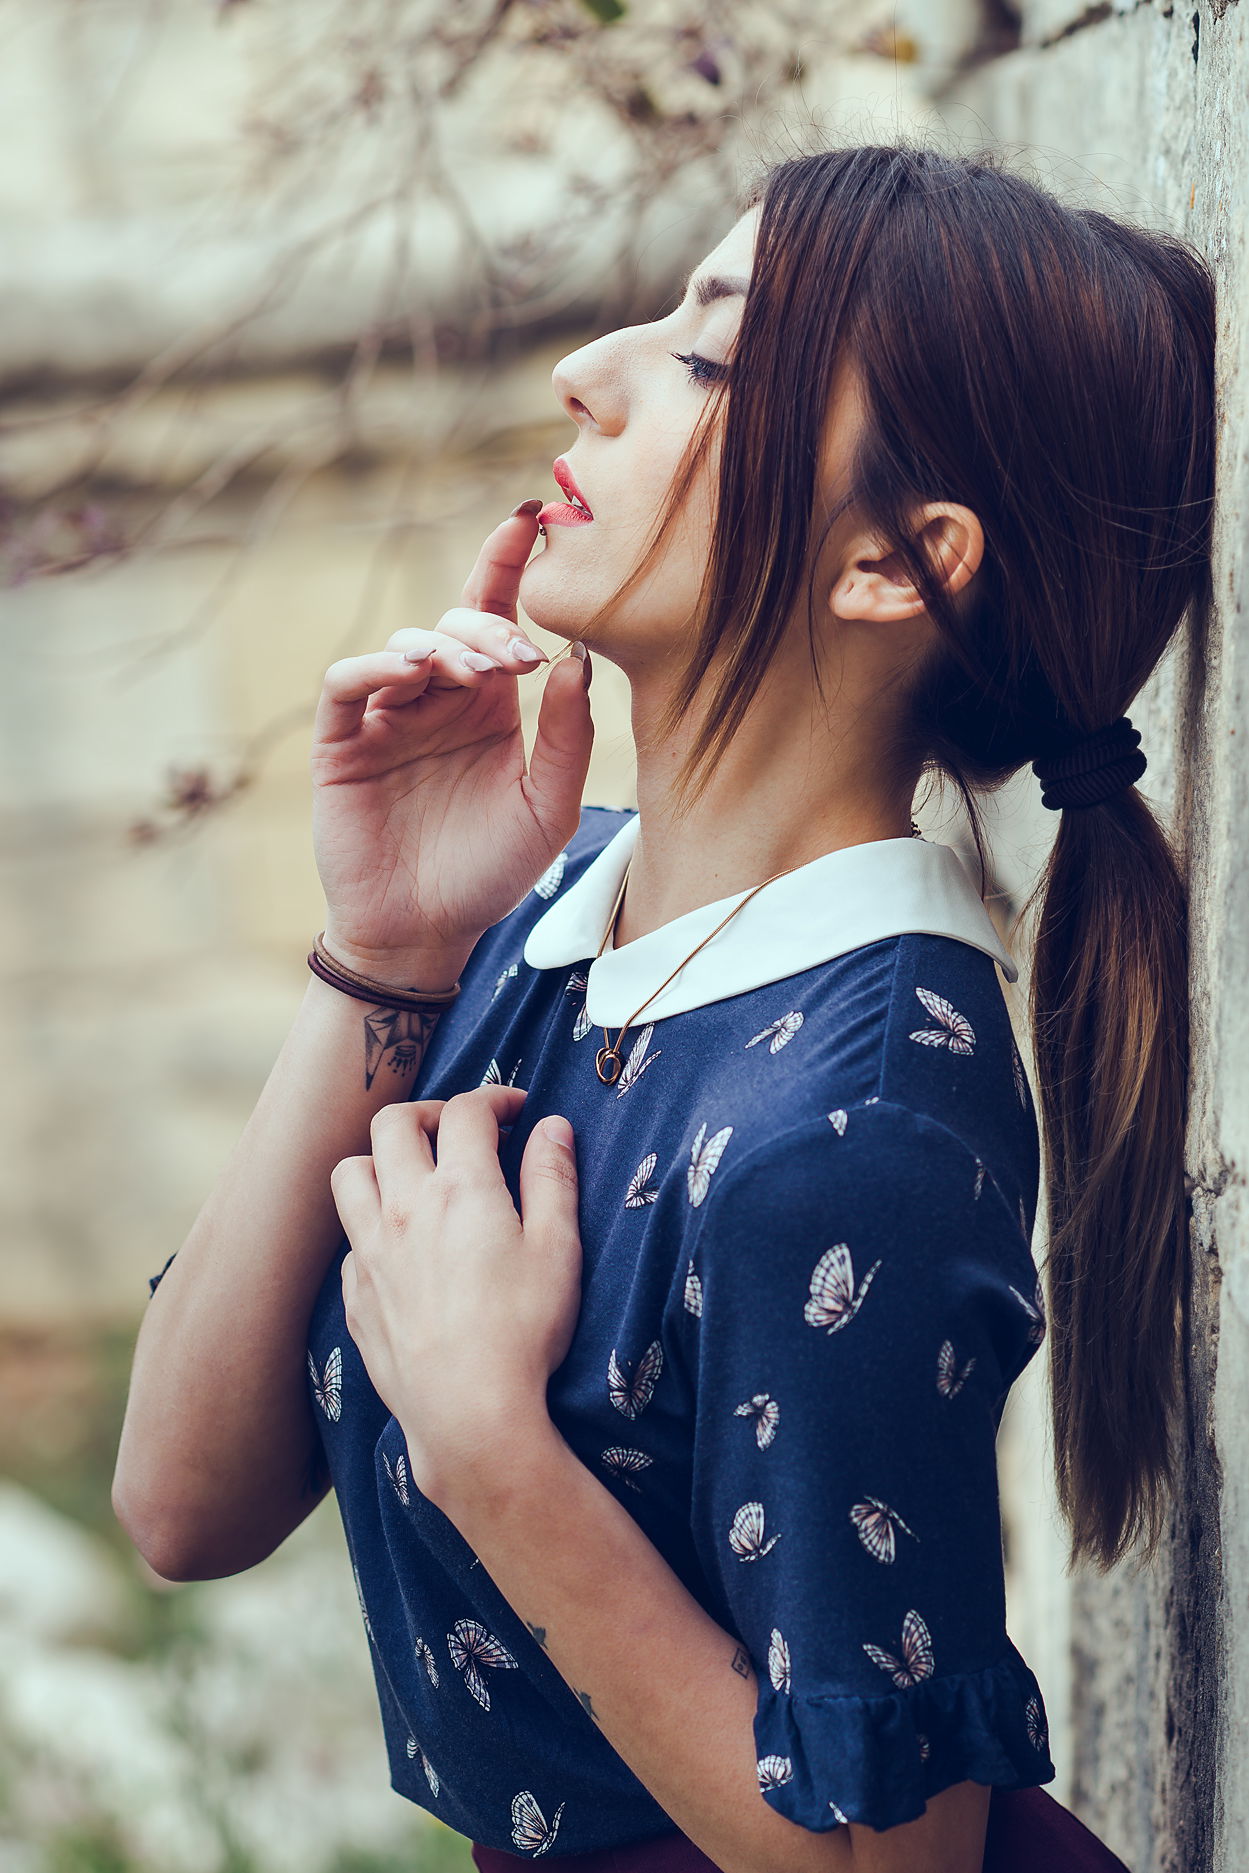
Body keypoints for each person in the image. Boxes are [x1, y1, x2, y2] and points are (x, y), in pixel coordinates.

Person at [112, 144, 1213, 1873]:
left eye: (711, 356)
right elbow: (181, 1503)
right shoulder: (550, 905)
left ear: (890, 565)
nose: (588, 371)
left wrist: (493, 1449)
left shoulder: (852, 1125)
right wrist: (389, 950)